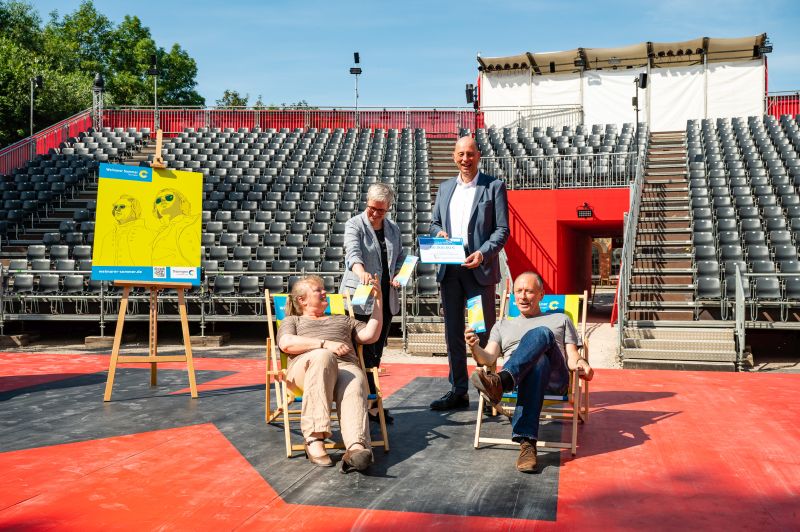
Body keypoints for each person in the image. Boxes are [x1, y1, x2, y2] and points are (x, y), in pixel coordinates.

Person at [466, 272, 594, 473]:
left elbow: (571, 356)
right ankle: (527, 444)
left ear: (542, 294)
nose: (523, 296)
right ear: (513, 295)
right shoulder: (502, 325)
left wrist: (582, 364)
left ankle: (501, 382)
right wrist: (474, 348)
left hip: (555, 379)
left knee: (542, 333)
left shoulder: (560, 319)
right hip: (524, 379)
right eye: (518, 291)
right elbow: (489, 358)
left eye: (529, 291)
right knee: (537, 362)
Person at [429, 136, 509, 410]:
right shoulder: (444, 188)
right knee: (453, 332)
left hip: (478, 270)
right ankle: (458, 389)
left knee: (480, 330)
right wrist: (438, 232)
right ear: (454, 156)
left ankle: (489, 388)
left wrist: (484, 253)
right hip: (450, 270)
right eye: (461, 154)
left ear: (479, 156)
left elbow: (502, 230)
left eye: (470, 154)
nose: (465, 159)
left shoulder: (494, 186)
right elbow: (434, 222)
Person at [277, 275, 384, 472]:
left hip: (344, 367)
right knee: (323, 357)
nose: (325, 292)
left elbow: (370, 335)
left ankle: (356, 448)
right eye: (318, 290)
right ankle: (314, 437)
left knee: (354, 378)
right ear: (302, 300)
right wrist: (325, 344)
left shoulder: (343, 319)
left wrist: (378, 300)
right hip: (305, 370)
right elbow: (286, 343)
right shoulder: (293, 320)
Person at [341, 183, 405, 424]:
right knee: (362, 352)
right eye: (372, 208)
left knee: (376, 352)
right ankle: (368, 403)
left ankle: (370, 402)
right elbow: (353, 254)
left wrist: (399, 274)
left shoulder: (393, 229)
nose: (376, 214)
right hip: (359, 298)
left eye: (381, 210)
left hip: (385, 298)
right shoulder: (354, 224)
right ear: (366, 202)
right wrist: (361, 272)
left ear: (389, 208)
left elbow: (399, 257)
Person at [99, 194, 154, 265]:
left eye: (122, 206)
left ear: (134, 209)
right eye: (115, 207)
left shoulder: (149, 235)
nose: (117, 209)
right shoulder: (107, 237)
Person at [151, 188, 200, 267]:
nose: (163, 200)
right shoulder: (162, 232)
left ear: (181, 202)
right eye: (158, 200)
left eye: (168, 197)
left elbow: (194, 259)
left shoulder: (193, 222)